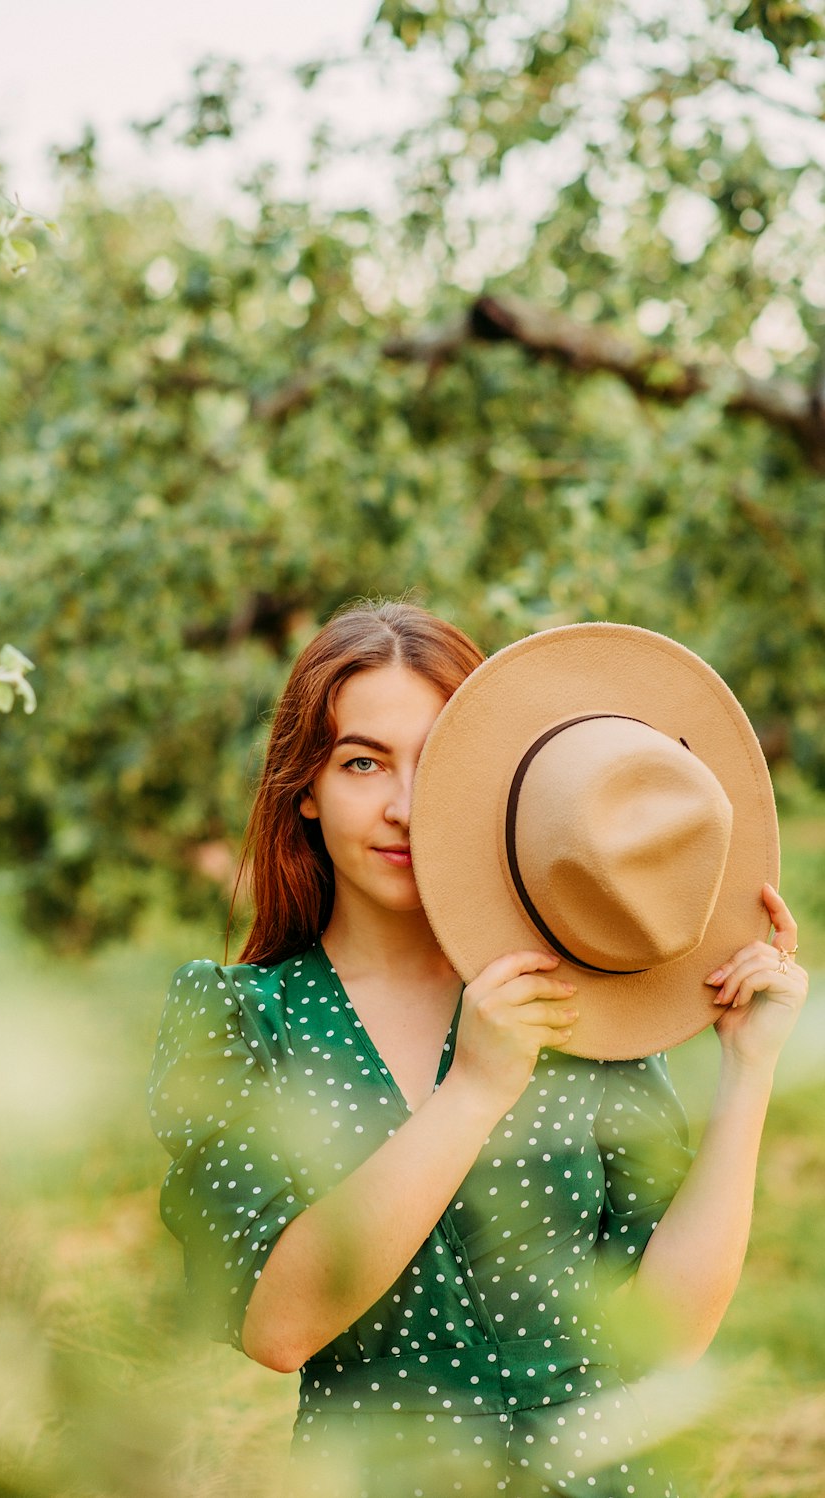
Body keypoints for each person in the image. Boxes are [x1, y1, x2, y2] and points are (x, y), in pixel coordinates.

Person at [148, 600, 808, 1498]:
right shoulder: (241, 1020)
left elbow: (668, 1332)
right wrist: (474, 1091)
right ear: (305, 786)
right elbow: (277, 1327)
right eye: (363, 762)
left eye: (437, 763)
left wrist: (749, 1069)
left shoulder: (579, 993)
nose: (405, 807)